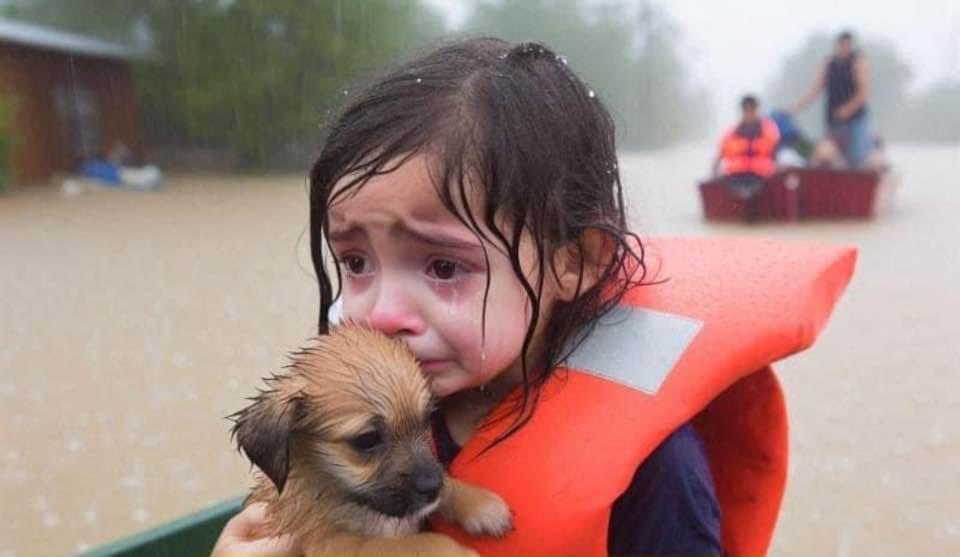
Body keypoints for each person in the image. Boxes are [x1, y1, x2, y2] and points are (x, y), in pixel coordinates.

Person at [213, 38, 854, 555]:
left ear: (574, 261)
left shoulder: (659, 472)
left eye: (442, 266)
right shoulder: (357, 411)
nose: (381, 313)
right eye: (355, 262)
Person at [790, 30, 872, 168]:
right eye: (842, 44)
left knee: (857, 159)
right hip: (834, 120)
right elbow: (815, 89)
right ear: (837, 45)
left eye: (847, 45)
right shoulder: (829, 64)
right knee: (824, 157)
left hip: (855, 120)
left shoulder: (858, 62)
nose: (844, 48)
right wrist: (796, 108)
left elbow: (864, 92)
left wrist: (848, 109)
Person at [712, 95, 780, 221]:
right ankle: (742, 205)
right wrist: (714, 173)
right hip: (736, 176)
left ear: (756, 109)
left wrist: (776, 169)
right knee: (740, 190)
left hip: (759, 176)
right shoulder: (732, 131)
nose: (749, 112)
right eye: (746, 109)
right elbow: (721, 154)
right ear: (742, 110)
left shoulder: (768, 129)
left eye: (751, 109)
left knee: (754, 190)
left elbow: (775, 153)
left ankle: (752, 206)